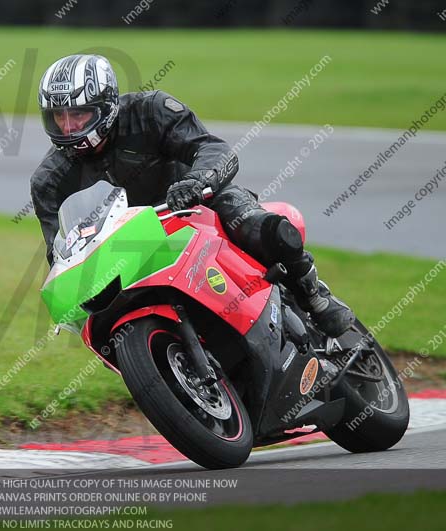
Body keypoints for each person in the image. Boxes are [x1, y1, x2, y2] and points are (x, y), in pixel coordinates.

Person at [30, 54, 354, 338]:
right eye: (60, 117)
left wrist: (197, 182)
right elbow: (61, 253)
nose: (69, 127)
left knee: (264, 229)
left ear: (105, 106)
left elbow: (213, 148)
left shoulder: (150, 110)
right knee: (102, 317)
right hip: (132, 248)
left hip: (199, 205)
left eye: (79, 115)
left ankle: (314, 294)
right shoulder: (49, 181)